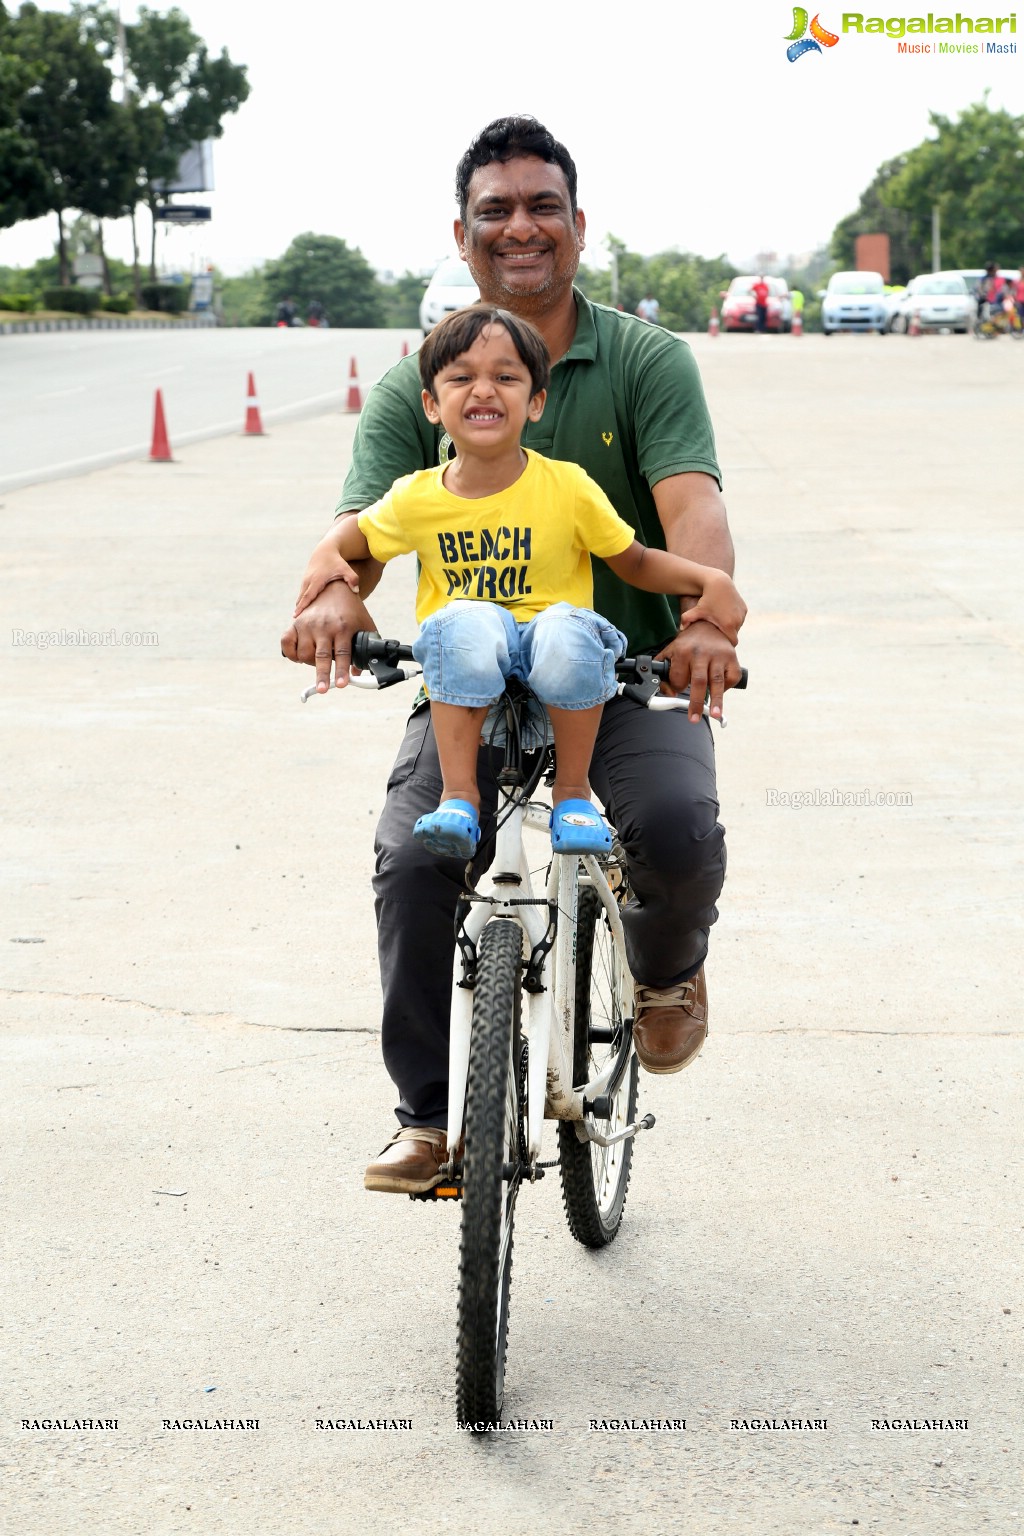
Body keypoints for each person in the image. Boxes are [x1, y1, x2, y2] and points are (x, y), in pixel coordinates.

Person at [281, 116, 743, 1196]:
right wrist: (336, 602)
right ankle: (427, 1121)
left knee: (674, 829)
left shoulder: (642, 360)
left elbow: (690, 510)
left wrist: (704, 626)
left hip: (617, 669)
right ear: (462, 233)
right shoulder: (424, 381)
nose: (520, 227)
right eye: (495, 210)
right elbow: (360, 535)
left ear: (578, 226)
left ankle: (666, 974)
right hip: (470, 679)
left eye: (542, 207)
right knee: (412, 862)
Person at [293, 304, 746, 865]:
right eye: (461, 378)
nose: (483, 391)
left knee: (566, 629)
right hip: (470, 682)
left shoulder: (568, 487)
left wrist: (708, 583)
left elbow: (635, 561)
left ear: (536, 402)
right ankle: (457, 798)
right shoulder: (415, 497)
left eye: (505, 378)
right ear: (431, 405)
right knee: (467, 622)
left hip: (569, 672)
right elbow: (353, 539)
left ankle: (572, 797)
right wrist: (323, 559)